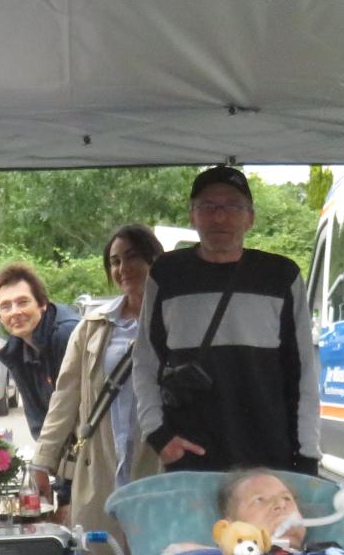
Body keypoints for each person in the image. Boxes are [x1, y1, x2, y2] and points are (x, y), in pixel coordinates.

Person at [132, 165, 321, 474]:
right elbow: (145, 362)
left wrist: (307, 455)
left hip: (269, 459)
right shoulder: (167, 274)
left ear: (250, 218)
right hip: (190, 458)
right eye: (208, 206)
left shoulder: (281, 276)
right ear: (192, 216)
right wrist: (158, 434)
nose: (220, 217)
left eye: (233, 206)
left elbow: (303, 374)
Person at [34, 225, 166, 555]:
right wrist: (42, 461)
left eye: (132, 257)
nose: (123, 268)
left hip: (155, 461)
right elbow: (65, 397)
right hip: (100, 462)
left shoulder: (177, 318)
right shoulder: (92, 325)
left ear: (154, 259)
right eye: (114, 261)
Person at [0, 262, 79, 439]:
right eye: (6, 306)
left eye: (22, 302)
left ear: (42, 303)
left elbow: (72, 409)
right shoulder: (16, 351)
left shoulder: (66, 335)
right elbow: (39, 423)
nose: (15, 312)